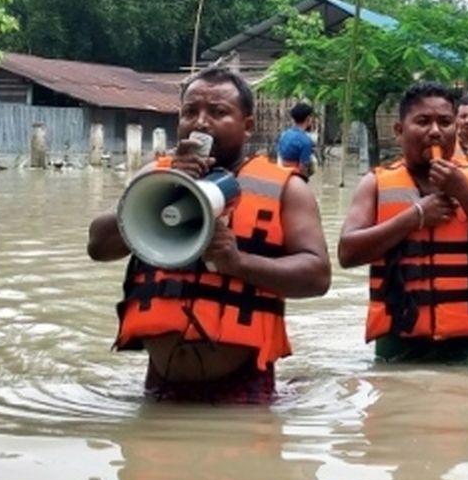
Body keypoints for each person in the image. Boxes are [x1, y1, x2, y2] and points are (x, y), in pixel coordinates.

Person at [87, 68, 332, 401]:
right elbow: (98, 246)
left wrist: (238, 263)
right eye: (190, 112)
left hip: (243, 391)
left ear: (248, 126)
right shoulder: (156, 175)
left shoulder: (288, 190)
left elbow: (317, 277)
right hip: (161, 386)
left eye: (218, 112)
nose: (200, 123)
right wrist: (162, 190)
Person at [339, 81, 468, 364]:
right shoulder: (374, 183)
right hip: (395, 349)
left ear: (456, 130)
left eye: (445, 122)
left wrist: (464, 193)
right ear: (399, 131)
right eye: (423, 121)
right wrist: (416, 216)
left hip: (463, 351)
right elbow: (347, 253)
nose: (435, 132)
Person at [276, 100, 318, 179]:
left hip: (281, 174)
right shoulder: (306, 141)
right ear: (308, 118)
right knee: (313, 160)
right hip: (294, 175)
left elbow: (279, 156)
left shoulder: (284, 134)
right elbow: (302, 168)